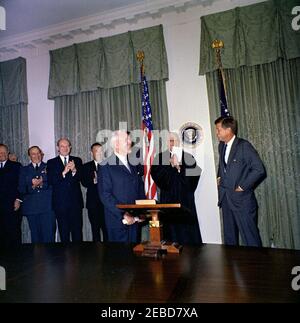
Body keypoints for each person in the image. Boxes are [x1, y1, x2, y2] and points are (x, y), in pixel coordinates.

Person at [214, 116, 266, 247]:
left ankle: (257, 267)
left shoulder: (244, 146)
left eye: (218, 130)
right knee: (230, 239)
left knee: (250, 238)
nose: (217, 133)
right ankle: (232, 266)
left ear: (229, 130)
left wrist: (243, 186)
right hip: (226, 199)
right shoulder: (222, 146)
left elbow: (259, 169)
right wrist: (219, 176)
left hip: (242, 200)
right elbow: (223, 165)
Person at [151, 132, 202, 245]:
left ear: (179, 143)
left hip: (185, 202)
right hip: (168, 200)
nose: (172, 143)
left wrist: (179, 167)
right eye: (170, 141)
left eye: (174, 141)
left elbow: (193, 177)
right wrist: (171, 167)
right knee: (170, 235)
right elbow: (158, 176)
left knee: (188, 237)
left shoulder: (188, 157)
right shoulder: (160, 158)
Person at [98, 131, 146, 243]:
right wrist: (123, 214)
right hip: (117, 221)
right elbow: (105, 195)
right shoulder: (105, 166)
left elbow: (139, 190)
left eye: (130, 139)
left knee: (134, 257)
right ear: (116, 144)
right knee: (120, 258)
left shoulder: (133, 165)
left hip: (134, 221)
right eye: (126, 140)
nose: (130, 142)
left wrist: (142, 212)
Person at [47, 138, 83, 243]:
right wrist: (63, 172)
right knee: (64, 233)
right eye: (62, 146)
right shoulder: (51, 162)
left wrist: (74, 170)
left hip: (75, 203)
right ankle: (65, 258)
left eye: (67, 146)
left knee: (77, 233)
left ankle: (79, 257)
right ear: (58, 148)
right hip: (60, 204)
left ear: (70, 147)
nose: (65, 148)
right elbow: (51, 181)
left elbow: (81, 178)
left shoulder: (77, 160)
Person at [18, 146, 55, 243]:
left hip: (47, 207)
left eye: (38, 153)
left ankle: (51, 258)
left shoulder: (50, 166)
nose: (36, 155)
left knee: (49, 236)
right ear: (29, 156)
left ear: (41, 154)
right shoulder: (23, 170)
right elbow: (21, 188)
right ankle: (38, 258)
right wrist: (32, 186)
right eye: (33, 154)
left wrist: (42, 183)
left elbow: (54, 183)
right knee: (35, 237)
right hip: (32, 208)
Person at [81, 143, 107, 242]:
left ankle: (109, 254)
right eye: (96, 151)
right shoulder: (86, 166)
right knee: (95, 231)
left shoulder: (109, 165)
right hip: (93, 204)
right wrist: (94, 181)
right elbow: (84, 183)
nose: (99, 153)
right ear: (91, 152)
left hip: (107, 204)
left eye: (101, 151)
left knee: (107, 231)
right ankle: (96, 255)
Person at [0, 144, 22, 248]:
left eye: (4, 152)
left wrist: (18, 199)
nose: (2, 154)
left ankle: (17, 261)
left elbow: (21, 185)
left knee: (14, 235)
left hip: (12, 206)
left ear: (8, 153)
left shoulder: (16, 166)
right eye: (0, 152)